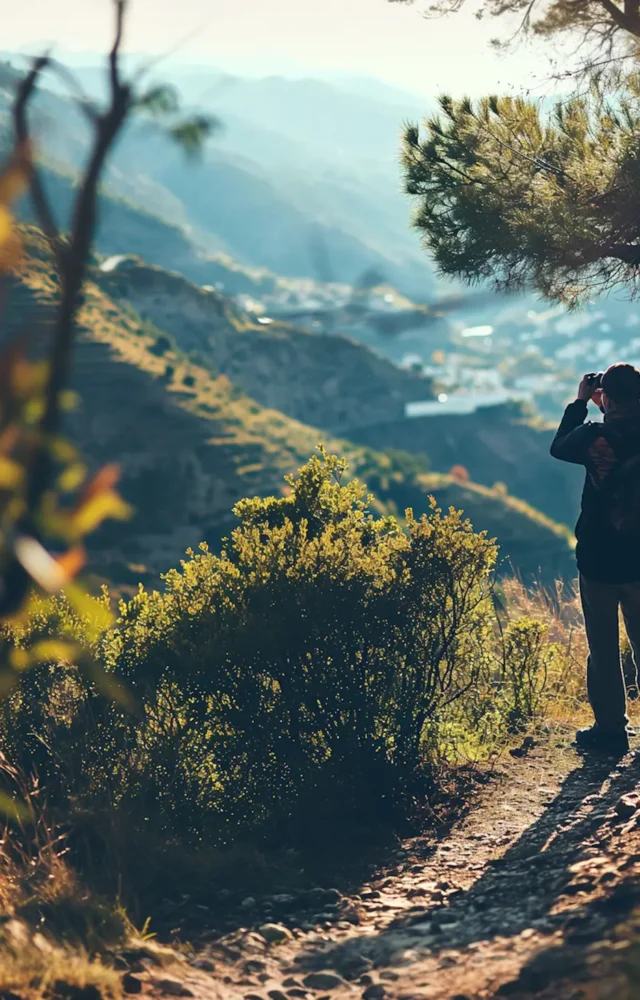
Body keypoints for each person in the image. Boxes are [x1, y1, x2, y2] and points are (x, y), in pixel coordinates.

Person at [550, 363, 640, 755]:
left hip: (599, 560)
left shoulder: (594, 436)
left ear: (609, 398)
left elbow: (558, 445)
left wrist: (583, 401)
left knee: (602, 648)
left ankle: (610, 731)